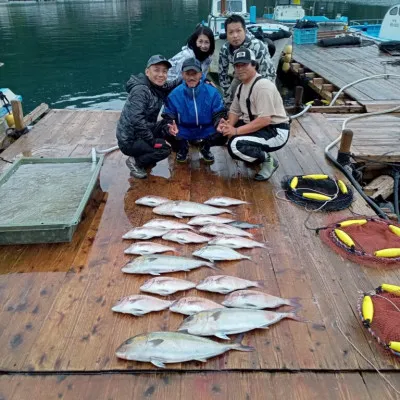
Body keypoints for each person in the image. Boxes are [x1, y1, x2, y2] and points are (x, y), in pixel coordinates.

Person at [217, 48, 290, 181]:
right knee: (224, 136)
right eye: (237, 65)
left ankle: (269, 161)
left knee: (236, 145)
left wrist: (236, 130)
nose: (240, 69)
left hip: (275, 130)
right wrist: (228, 126)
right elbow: (234, 111)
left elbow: (264, 120)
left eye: (244, 64)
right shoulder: (241, 87)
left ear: (254, 65)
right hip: (257, 125)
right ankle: (256, 156)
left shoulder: (263, 86)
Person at [116, 55, 179, 179]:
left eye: (164, 71)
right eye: (156, 70)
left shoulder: (157, 86)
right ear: (147, 72)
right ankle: (135, 162)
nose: (161, 74)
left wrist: (199, 77)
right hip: (130, 140)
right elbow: (136, 120)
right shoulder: (141, 90)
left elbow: (173, 84)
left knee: (168, 124)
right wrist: (153, 142)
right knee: (164, 149)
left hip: (143, 131)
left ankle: (146, 155)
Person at [162, 58, 227, 164]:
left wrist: (219, 122)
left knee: (223, 131)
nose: (191, 77)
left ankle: (205, 147)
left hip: (205, 128)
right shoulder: (174, 94)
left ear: (201, 74)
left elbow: (219, 112)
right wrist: (170, 125)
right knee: (167, 131)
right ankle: (183, 148)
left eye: (195, 73)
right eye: (188, 74)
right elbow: (168, 114)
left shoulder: (213, 92)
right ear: (183, 75)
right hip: (184, 129)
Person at [218, 14, 276, 107]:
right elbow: (222, 76)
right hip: (240, 75)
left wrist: (262, 95)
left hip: (261, 77)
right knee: (230, 101)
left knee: (261, 103)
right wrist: (227, 97)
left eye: (238, 31)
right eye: (231, 32)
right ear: (226, 34)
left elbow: (268, 74)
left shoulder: (257, 46)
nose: (235, 36)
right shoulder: (224, 49)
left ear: (245, 31)